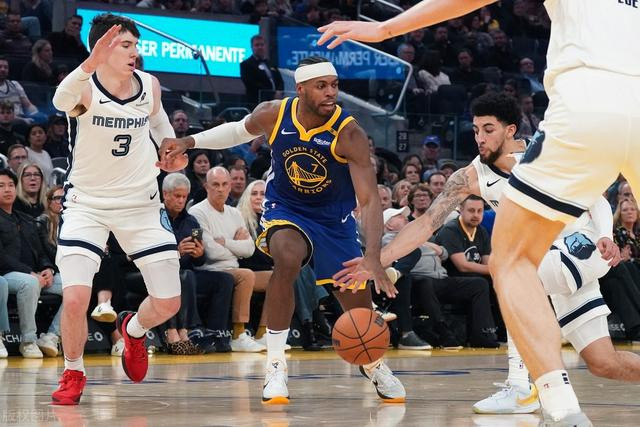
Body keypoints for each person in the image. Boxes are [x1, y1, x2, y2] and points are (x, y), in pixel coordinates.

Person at [320, 2, 640, 423]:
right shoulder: (469, 176)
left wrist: (604, 234)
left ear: (511, 130)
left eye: (488, 129)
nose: (479, 137)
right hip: (559, 259)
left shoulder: (541, 153)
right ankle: (529, 385)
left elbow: (597, 199)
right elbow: (426, 224)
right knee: (604, 362)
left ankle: (530, 390)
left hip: (576, 247)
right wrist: (377, 259)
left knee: (510, 265)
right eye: (474, 130)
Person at [158, 56, 400, 404]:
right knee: (286, 259)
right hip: (287, 209)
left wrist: (373, 255)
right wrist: (189, 141)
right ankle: (275, 365)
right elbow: (237, 131)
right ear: (300, 89)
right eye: (321, 86)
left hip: (334, 222)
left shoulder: (349, 134)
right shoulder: (274, 113)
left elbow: (370, 199)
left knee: (359, 312)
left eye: (334, 85)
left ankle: (373, 363)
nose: (330, 92)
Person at [49, 14, 184, 405]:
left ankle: (134, 330)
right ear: (101, 49)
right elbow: (59, 101)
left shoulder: (149, 86)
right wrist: (88, 63)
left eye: (135, 45)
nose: (134, 52)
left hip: (140, 202)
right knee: (76, 297)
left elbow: (161, 127)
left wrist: (171, 152)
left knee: (169, 302)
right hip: (87, 203)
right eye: (126, 45)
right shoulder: (83, 87)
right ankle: (73, 371)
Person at [188, 167, 265, 352]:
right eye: (215, 185)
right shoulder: (197, 212)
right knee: (246, 275)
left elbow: (250, 249)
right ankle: (238, 334)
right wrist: (236, 247)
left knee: (278, 279)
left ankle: (264, 333)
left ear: (230, 187)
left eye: (224, 184)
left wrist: (225, 242)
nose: (220, 189)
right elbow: (211, 252)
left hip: (233, 268)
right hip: (210, 269)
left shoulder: (234, 213)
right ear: (206, 186)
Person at [240, 35, 283, 107]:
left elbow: (280, 80)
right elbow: (251, 84)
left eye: (262, 45)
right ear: (252, 47)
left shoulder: (270, 63)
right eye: (257, 45)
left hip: (275, 103)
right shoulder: (246, 64)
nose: (260, 47)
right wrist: (272, 94)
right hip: (257, 103)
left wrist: (279, 91)